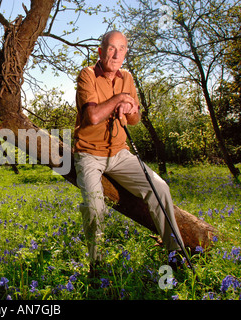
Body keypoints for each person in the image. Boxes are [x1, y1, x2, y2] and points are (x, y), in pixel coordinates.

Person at [73, 30, 184, 275]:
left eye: (122, 49)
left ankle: (175, 253)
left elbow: (134, 119)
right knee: (94, 206)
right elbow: (92, 117)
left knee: (160, 188)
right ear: (101, 51)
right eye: (111, 48)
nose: (116, 54)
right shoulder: (87, 75)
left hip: (120, 153)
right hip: (90, 154)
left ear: (125, 53)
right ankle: (97, 265)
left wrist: (129, 106)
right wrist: (119, 98)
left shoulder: (127, 77)